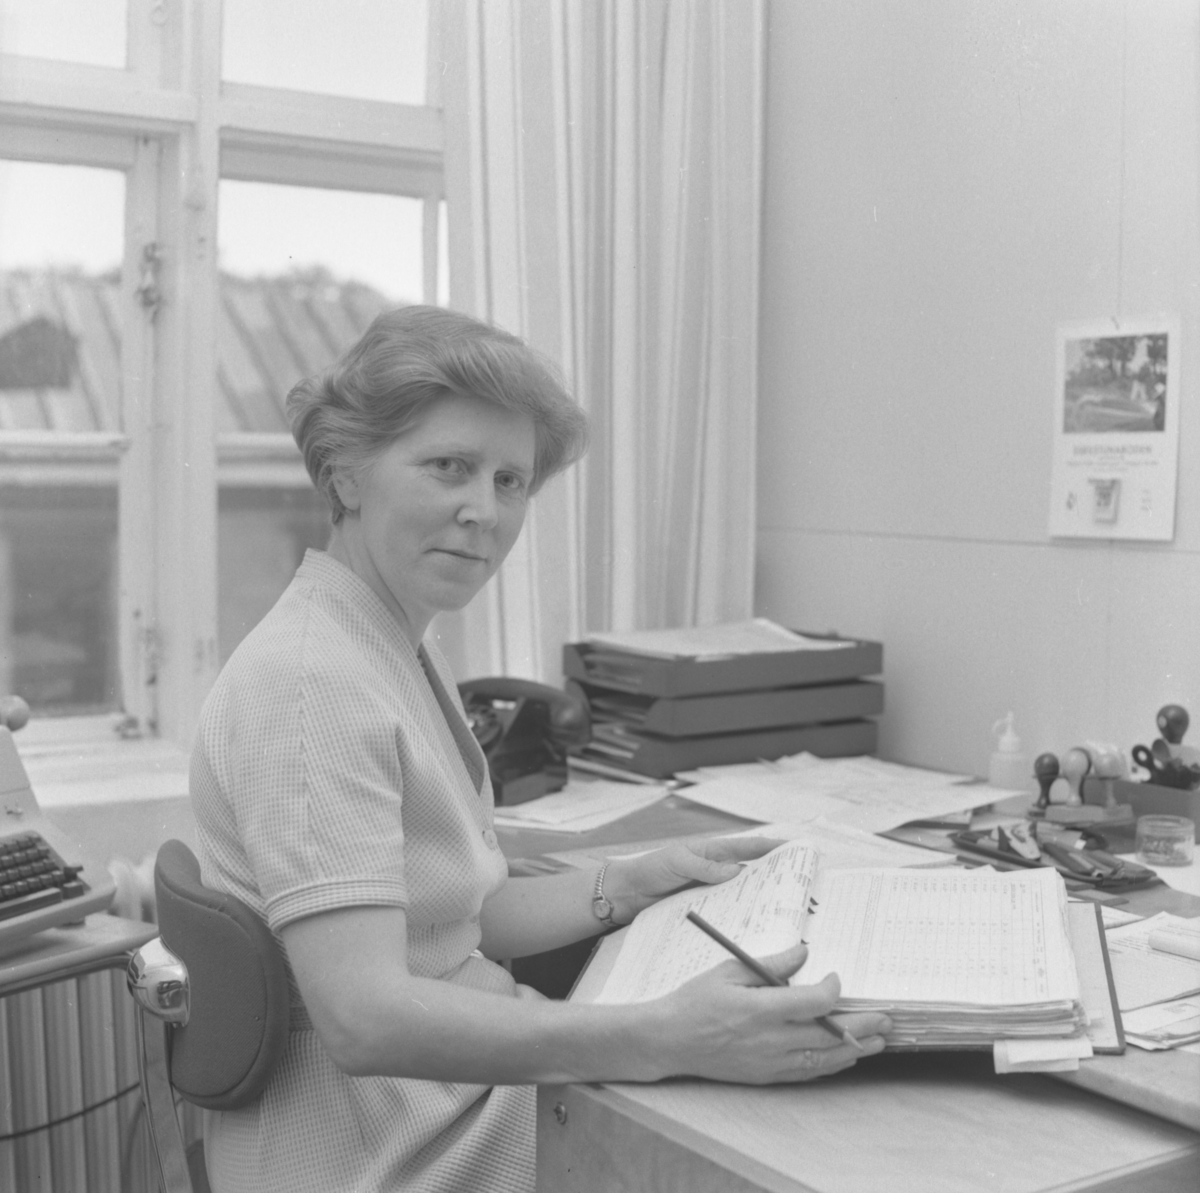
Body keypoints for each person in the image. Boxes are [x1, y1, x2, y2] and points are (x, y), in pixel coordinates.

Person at [190, 305, 891, 1193]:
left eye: (510, 480)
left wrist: (628, 882)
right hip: (396, 1147)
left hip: (443, 1098)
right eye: (449, 467)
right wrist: (666, 1036)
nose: (484, 511)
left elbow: (457, 916)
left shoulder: (386, 638)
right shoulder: (310, 684)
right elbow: (365, 1019)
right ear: (344, 473)